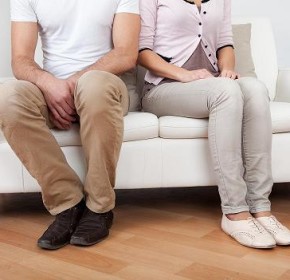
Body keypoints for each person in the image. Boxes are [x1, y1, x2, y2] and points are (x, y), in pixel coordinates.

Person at [138, 0, 290, 249]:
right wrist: (183, 74)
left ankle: (261, 207)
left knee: (254, 88)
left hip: (214, 83)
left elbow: (225, 43)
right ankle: (234, 212)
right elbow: (141, 50)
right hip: (163, 88)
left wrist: (227, 70)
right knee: (225, 91)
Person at [0, 0, 140, 250]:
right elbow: (21, 59)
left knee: (93, 85)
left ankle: (99, 207)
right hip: (52, 90)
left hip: (105, 86)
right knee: (7, 97)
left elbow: (126, 54)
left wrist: (73, 82)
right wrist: (49, 84)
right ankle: (67, 203)